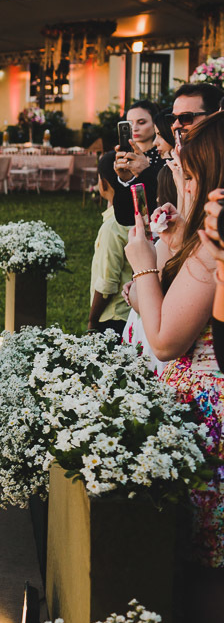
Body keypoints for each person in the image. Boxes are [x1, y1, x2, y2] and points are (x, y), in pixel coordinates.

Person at [125, 109, 224, 567]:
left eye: (187, 176)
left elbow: (164, 338)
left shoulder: (212, 248)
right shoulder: (200, 240)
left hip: (208, 425)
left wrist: (143, 261)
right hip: (194, 414)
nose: (181, 186)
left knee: (205, 560)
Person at [114, 92, 218, 226]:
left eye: (186, 118)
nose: (175, 125)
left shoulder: (206, 164)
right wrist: (126, 180)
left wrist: (147, 171)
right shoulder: (171, 166)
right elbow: (129, 216)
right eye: (172, 118)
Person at [88, 153, 131, 335]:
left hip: (112, 318)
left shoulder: (112, 226)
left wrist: (92, 320)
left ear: (103, 183)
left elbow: (107, 284)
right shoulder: (134, 217)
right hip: (130, 313)